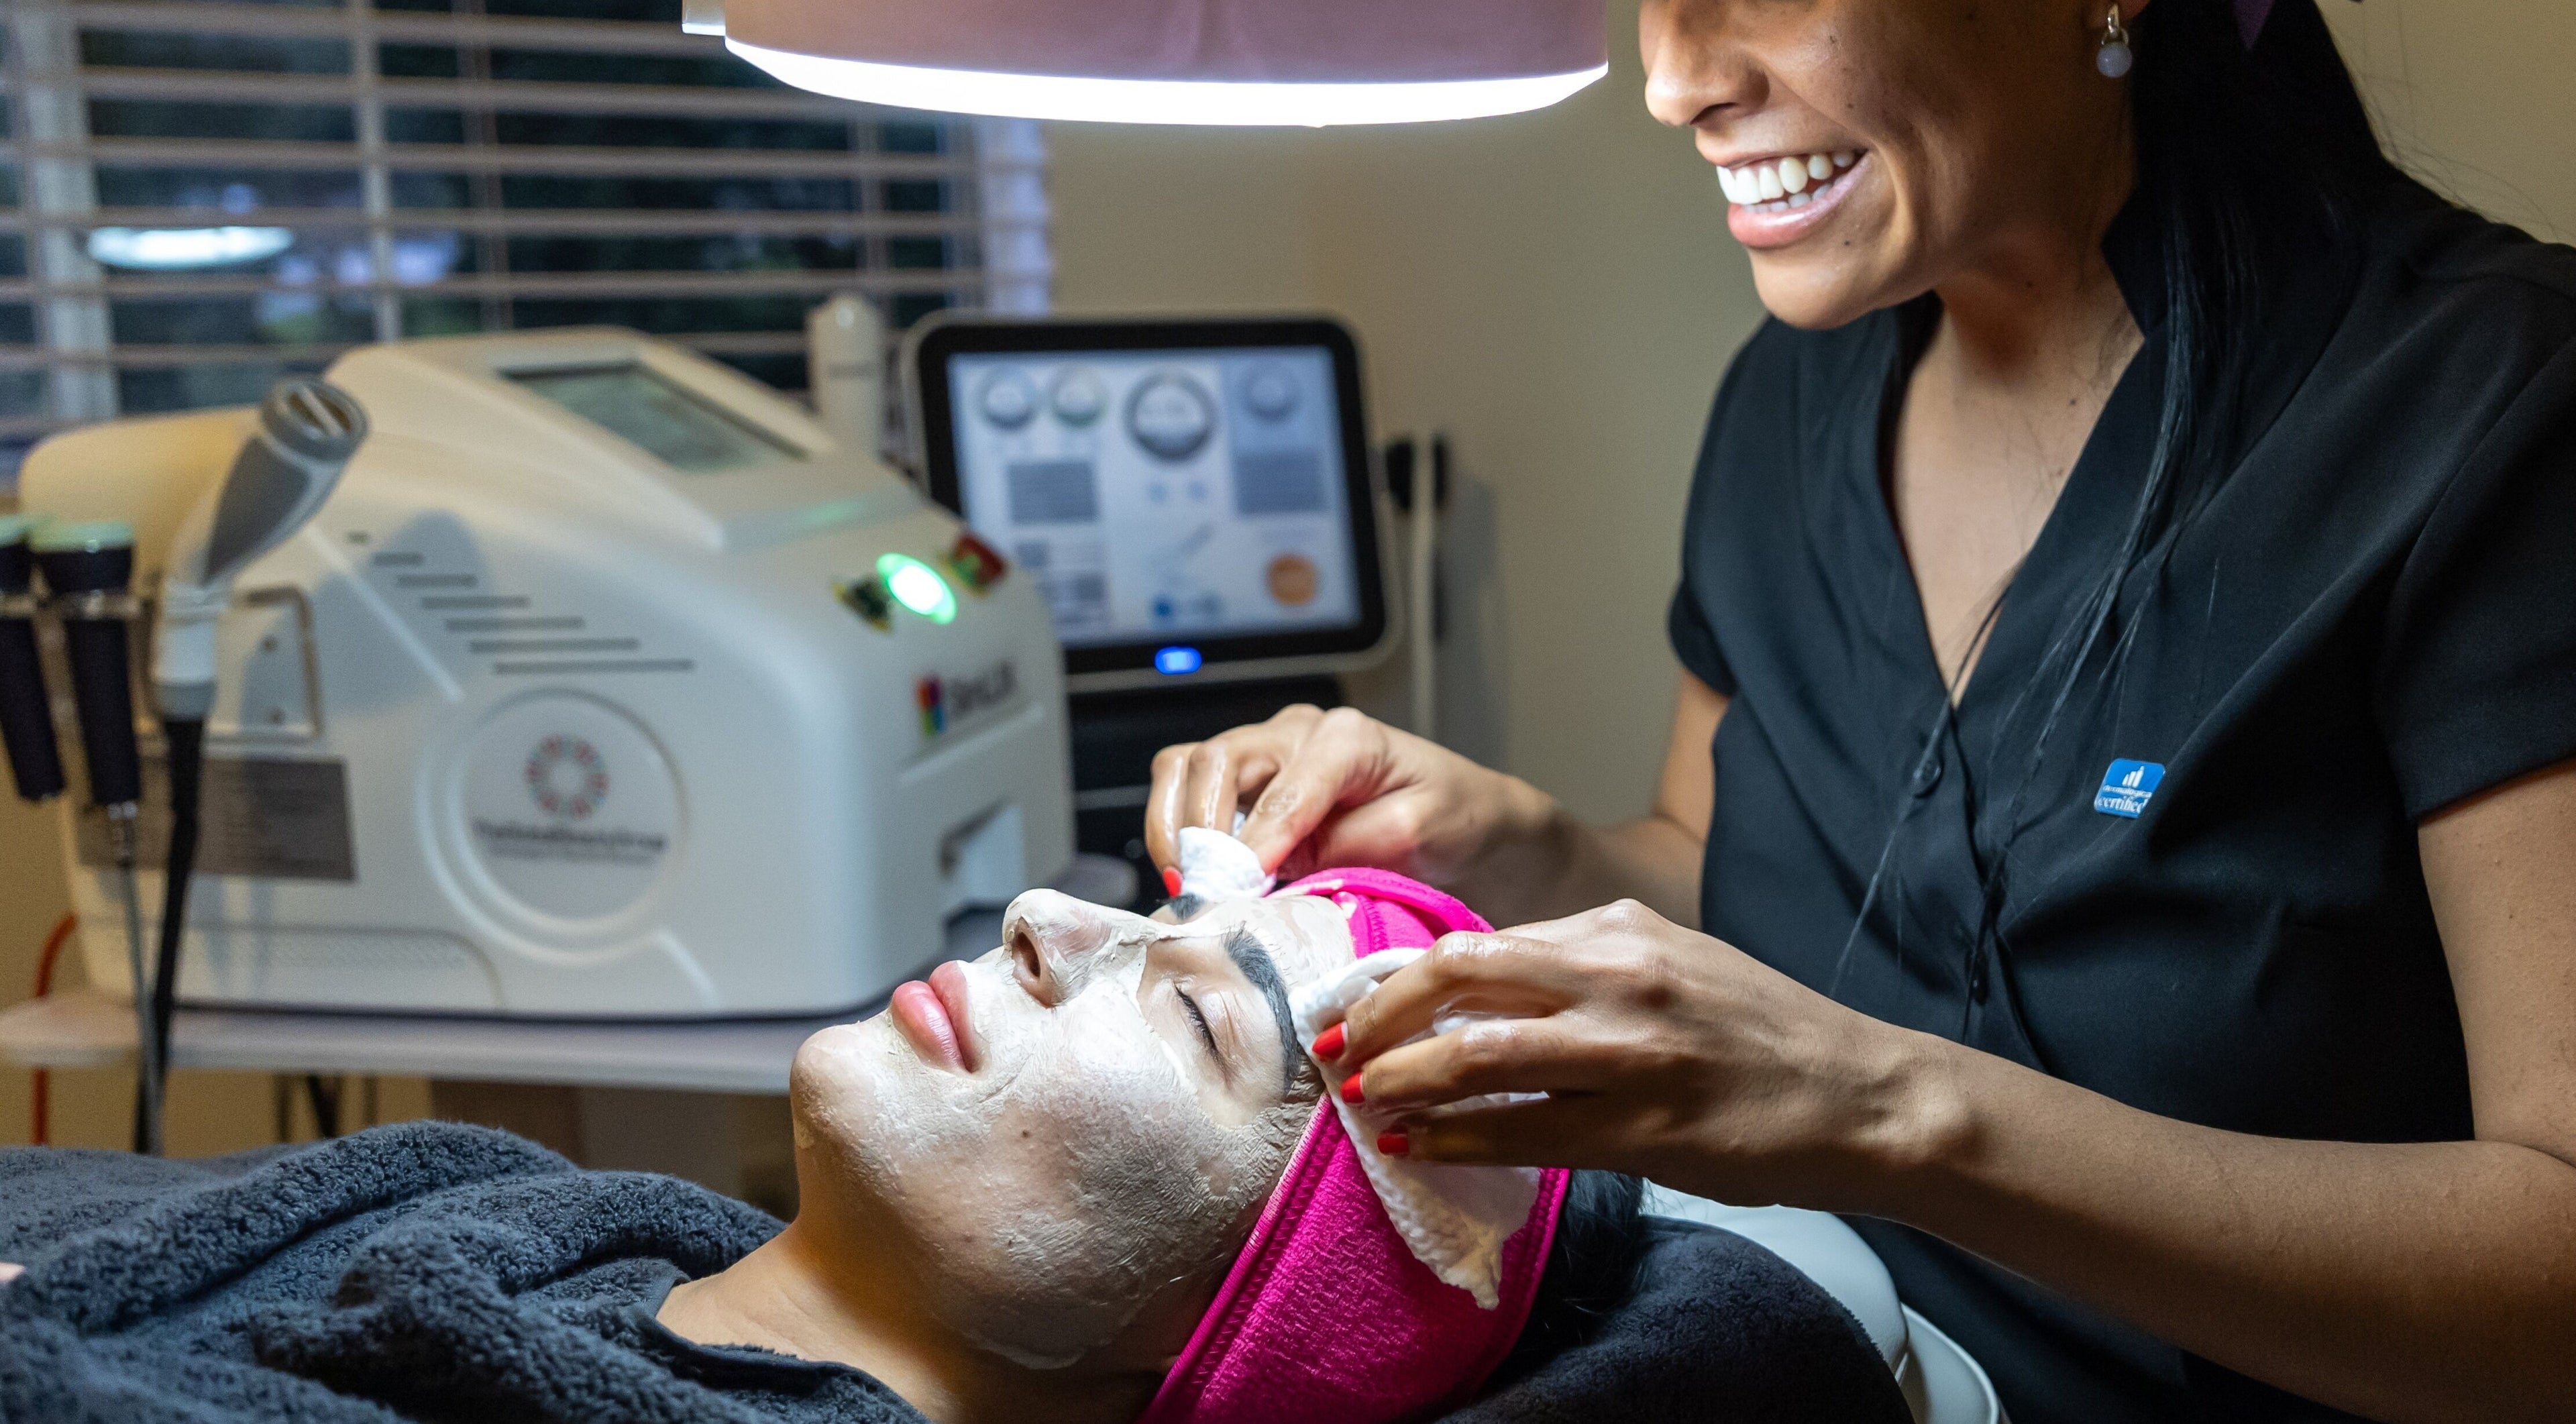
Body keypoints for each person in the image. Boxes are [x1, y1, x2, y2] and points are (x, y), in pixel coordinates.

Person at [1143, 1, 2576, 1421]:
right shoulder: (1793, 396)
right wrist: (1505, 843)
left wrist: (1883, 1117)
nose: (1671, 77)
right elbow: (1728, 868)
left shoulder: (2491, 408)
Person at [0, 883, 1904, 1424]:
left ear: (1212, 1342)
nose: (1039, 913)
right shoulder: (476, 1208)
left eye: (1190, 1013)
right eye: (1149, 906)